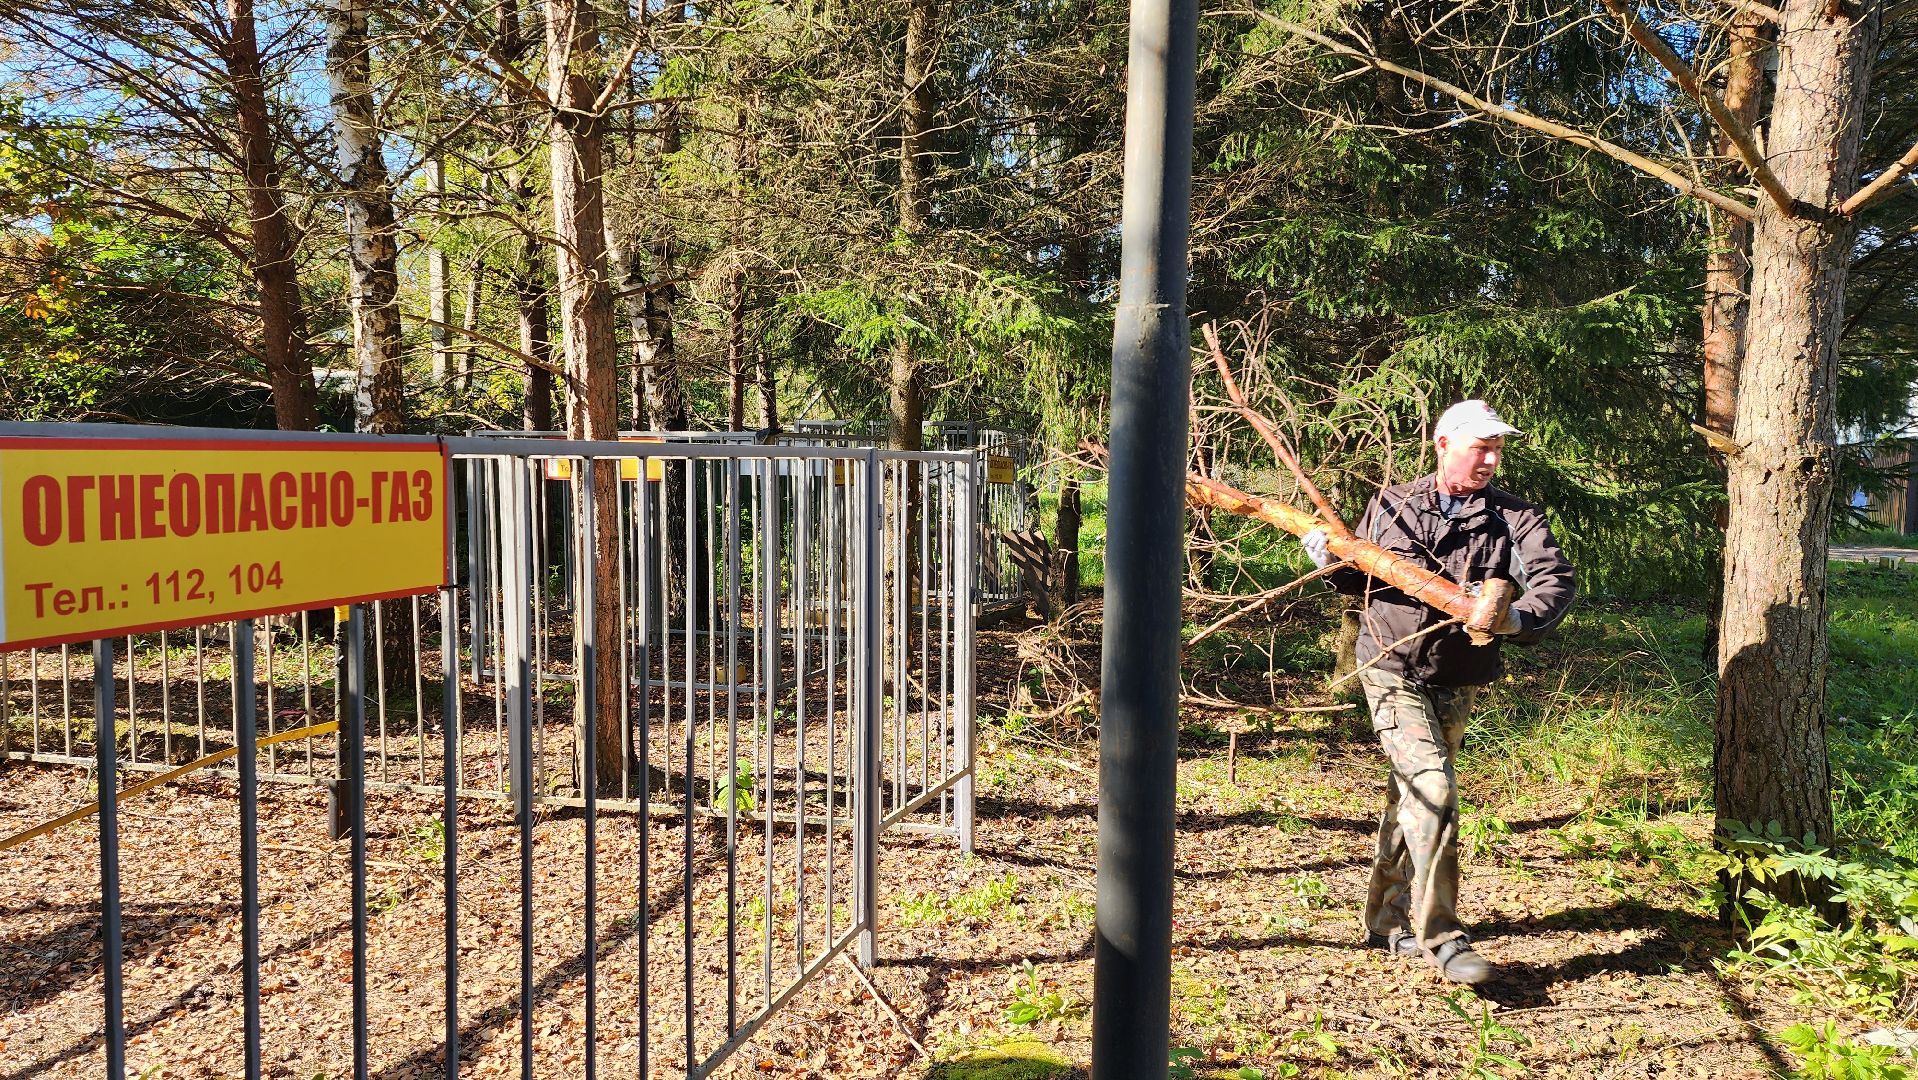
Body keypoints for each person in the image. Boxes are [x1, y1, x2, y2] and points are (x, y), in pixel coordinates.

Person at [1300, 400, 1575, 983]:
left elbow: (1554, 582)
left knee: (1417, 794)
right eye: (1480, 446)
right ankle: (1442, 937)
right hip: (1389, 660)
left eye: (1497, 448)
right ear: (1443, 443)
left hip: (1455, 675)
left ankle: (1385, 918)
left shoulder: (1513, 517)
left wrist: (1515, 619)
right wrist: (1331, 559)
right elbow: (1362, 575)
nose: (1491, 458)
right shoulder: (1393, 503)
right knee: (1431, 786)